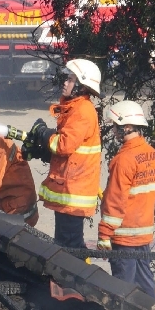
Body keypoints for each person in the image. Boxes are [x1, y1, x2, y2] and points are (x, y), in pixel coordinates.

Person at [23, 59, 103, 248]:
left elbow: (63, 145)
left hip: (73, 193)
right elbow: (72, 152)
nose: (65, 83)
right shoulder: (76, 108)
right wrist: (42, 151)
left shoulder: (82, 111)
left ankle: (76, 278)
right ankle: (74, 277)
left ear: (81, 86)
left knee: (69, 247)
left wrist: (44, 134)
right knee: (67, 245)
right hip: (70, 191)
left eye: (70, 79)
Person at [97, 101, 155, 298]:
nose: (114, 130)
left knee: (124, 291)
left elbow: (116, 201)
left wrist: (105, 234)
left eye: (116, 125)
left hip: (124, 236)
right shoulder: (151, 153)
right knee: (146, 285)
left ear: (127, 127)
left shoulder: (124, 160)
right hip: (143, 234)